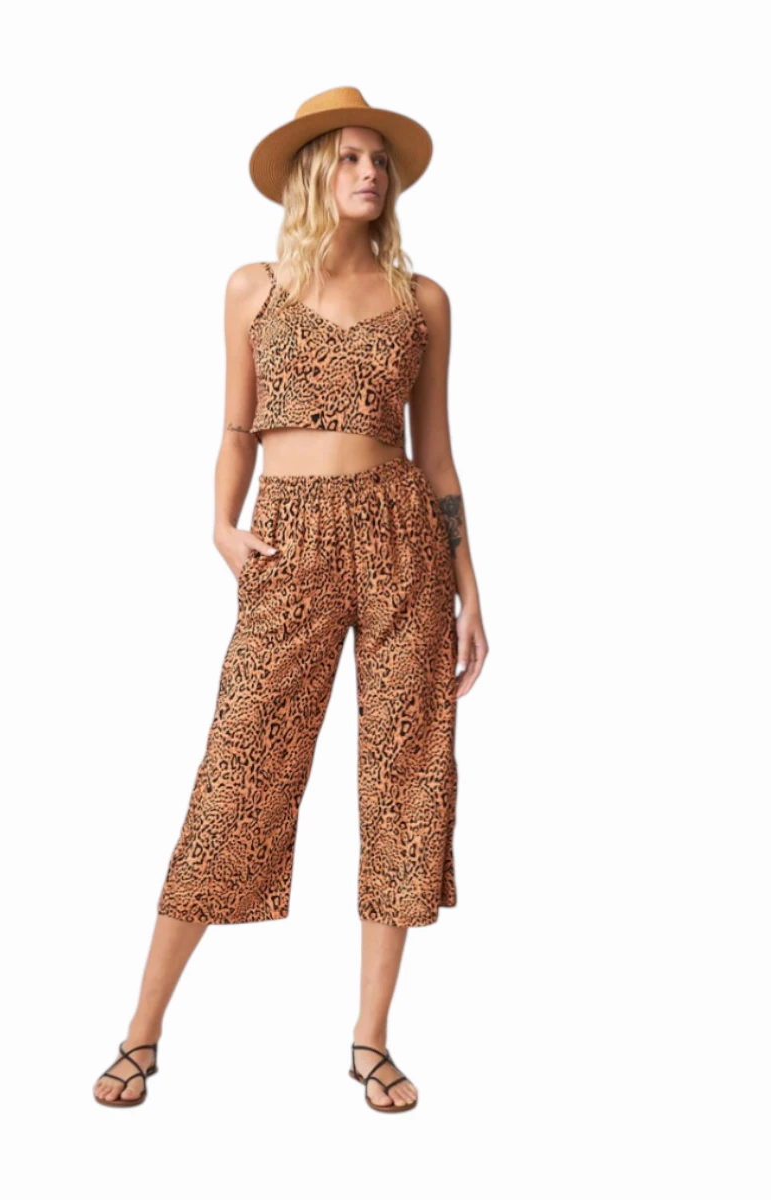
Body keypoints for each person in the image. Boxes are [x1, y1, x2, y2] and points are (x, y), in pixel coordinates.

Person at [95, 86, 487, 1113]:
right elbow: (235, 430)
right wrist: (222, 528)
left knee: (407, 780)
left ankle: (371, 1040)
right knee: (239, 772)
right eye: (351, 157)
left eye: (380, 161)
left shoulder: (423, 300)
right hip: (291, 539)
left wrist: (470, 592)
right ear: (315, 172)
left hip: (403, 540)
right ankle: (141, 1031)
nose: (370, 173)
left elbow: (438, 457)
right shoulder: (253, 288)